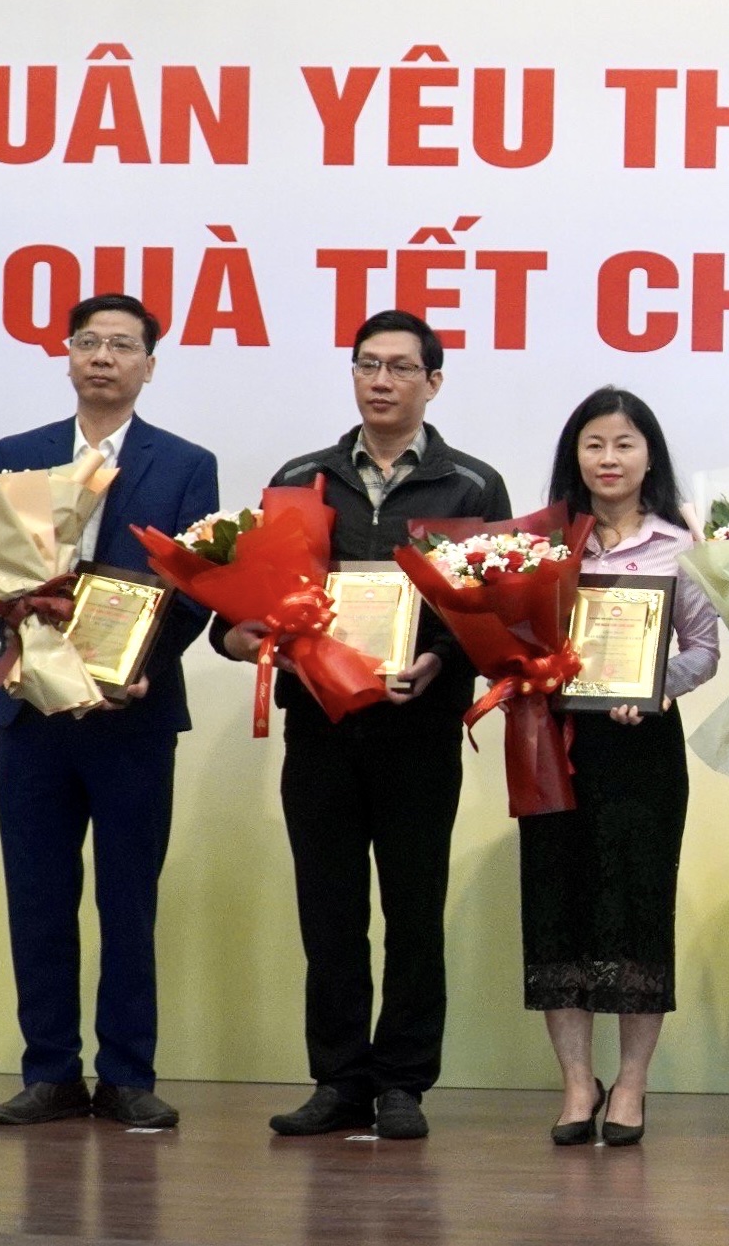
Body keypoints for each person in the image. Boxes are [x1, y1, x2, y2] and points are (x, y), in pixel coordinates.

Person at [215, 310, 511, 1140]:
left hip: (417, 732)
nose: (380, 381)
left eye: (399, 368)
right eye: (366, 365)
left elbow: (492, 611)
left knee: (414, 912)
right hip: (320, 731)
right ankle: (338, 1079)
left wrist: (442, 663)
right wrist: (237, 639)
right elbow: (249, 605)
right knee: (331, 912)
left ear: (433, 382)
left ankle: (403, 1083)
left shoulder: (472, 486)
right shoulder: (300, 477)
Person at [0, 295, 218, 1129]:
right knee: (38, 897)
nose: (104, 357)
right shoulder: (21, 453)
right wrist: (30, 644)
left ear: (150, 364)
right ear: (69, 356)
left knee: (128, 901)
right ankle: (49, 1071)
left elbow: (198, 586)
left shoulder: (187, 463)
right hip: (34, 718)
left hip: (132, 720)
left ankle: (125, 1074)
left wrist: (142, 667)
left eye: (123, 346)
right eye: (90, 343)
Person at [530, 388, 720, 1147]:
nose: (608, 460)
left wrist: (656, 688)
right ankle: (578, 1082)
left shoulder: (682, 546)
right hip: (555, 746)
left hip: (642, 749)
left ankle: (632, 1085)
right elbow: (512, 637)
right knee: (557, 907)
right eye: (594, 445)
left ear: (650, 457)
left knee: (639, 910)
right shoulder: (543, 543)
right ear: (574, 456)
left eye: (624, 445)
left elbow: (704, 650)